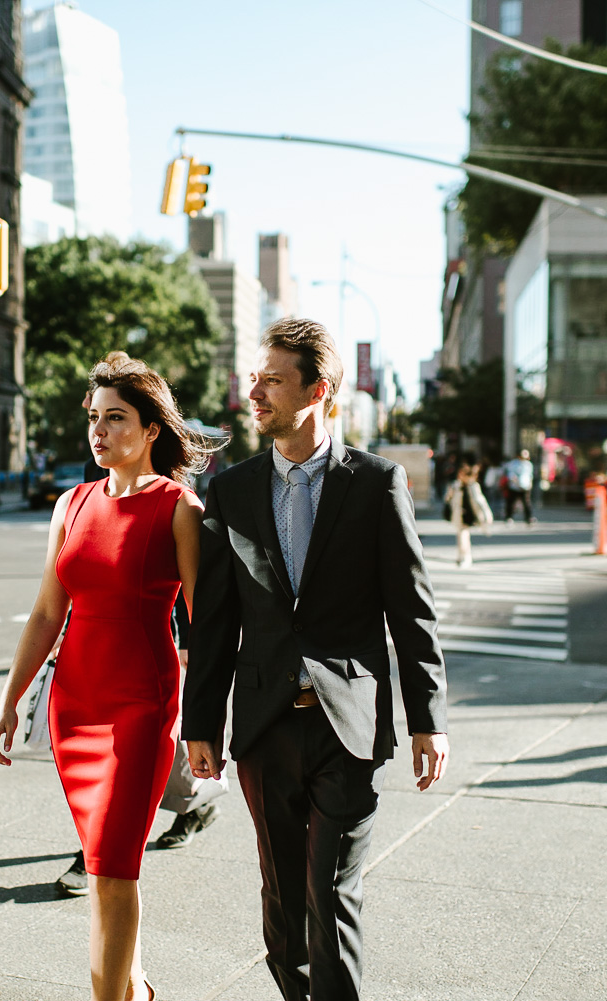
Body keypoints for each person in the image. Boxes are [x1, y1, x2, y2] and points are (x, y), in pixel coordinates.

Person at [184, 318, 449, 1001]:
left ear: (318, 389)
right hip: (266, 726)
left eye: (272, 379)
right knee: (284, 902)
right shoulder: (233, 489)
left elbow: (410, 609)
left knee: (331, 894)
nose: (255, 391)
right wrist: (201, 724)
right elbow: (213, 620)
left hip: (349, 724)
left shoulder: (376, 484)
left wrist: (429, 718)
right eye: (255, 377)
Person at [0, 352, 216, 1001]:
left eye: (116, 418)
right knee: (102, 866)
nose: (99, 430)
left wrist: (203, 723)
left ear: (151, 430)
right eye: (94, 417)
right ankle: (136, 989)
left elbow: (204, 626)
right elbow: (45, 612)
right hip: (73, 706)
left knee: (113, 871)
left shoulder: (178, 507)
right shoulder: (73, 502)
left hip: (142, 709)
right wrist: (9, 702)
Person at [444, 456, 493, 568]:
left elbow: (481, 502)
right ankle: (463, 556)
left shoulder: (473, 486)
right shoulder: (455, 485)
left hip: (470, 514)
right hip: (459, 514)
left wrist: (487, 517)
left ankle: (465, 557)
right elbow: (448, 498)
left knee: (463, 534)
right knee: (462, 534)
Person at [503, 448, 535, 525]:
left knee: (526, 503)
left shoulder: (528, 464)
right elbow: (511, 474)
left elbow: (530, 475)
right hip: (514, 487)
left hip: (525, 487)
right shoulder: (513, 464)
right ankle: (509, 517)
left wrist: (530, 484)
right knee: (511, 502)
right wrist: (516, 482)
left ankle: (528, 518)